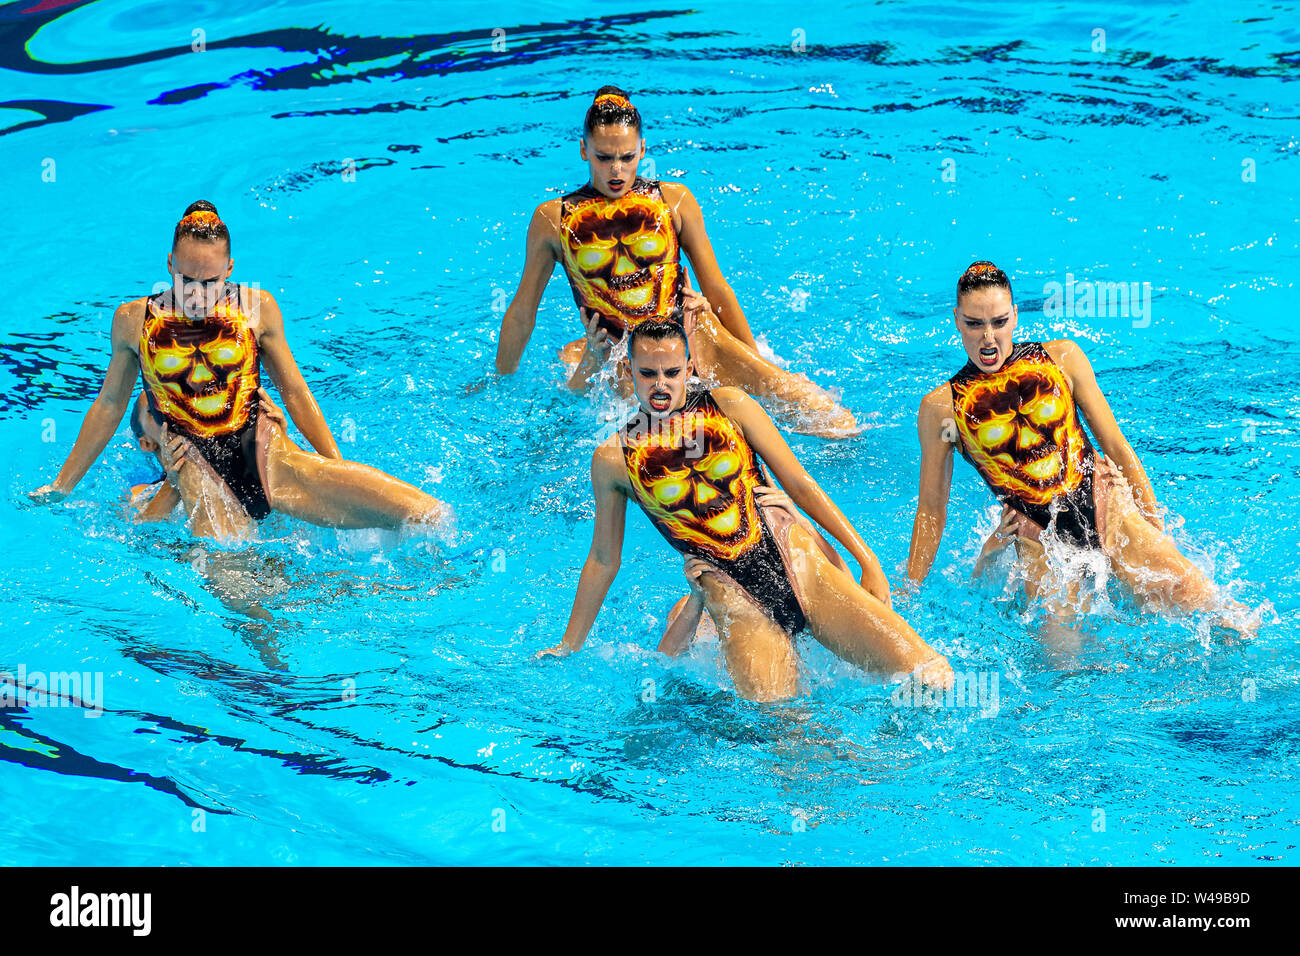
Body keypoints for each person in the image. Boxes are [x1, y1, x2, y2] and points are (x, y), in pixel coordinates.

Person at [541, 319, 952, 702]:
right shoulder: (614, 459)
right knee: (790, 738)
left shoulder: (730, 405)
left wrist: (868, 560)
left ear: (689, 367)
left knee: (932, 675)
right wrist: (568, 645)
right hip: (732, 594)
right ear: (630, 371)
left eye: (671, 372)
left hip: (797, 559)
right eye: (648, 373)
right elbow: (602, 559)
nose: (660, 385)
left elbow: (800, 483)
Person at [31, 201, 448, 531]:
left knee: (428, 516)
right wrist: (62, 485)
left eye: (209, 282)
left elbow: (297, 393)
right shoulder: (133, 321)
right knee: (250, 604)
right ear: (170, 266)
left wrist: (333, 464)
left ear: (229, 270)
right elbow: (108, 405)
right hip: (196, 470)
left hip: (268, 454)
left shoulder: (256, 309)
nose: (196, 294)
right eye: (186, 280)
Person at [494, 86, 858, 438]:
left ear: (643, 149)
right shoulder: (553, 220)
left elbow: (716, 288)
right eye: (604, 157)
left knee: (835, 424)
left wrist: (758, 361)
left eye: (627, 156)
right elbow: (524, 309)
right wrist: (500, 383)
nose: (617, 170)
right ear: (584, 151)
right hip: (621, 362)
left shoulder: (674, 201)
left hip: (695, 338)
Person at [907, 260, 1252, 628]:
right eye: (974, 324)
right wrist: (908, 596)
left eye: (999, 321)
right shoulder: (941, 409)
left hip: (1106, 505)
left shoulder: (1063, 358)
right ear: (957, 319)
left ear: (1016, 316)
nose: (988, 338)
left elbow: (1116, 445)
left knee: (1223, 616)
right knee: (1065, 670)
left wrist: (1155, 530)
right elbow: (931, 510)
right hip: (1039, 541)